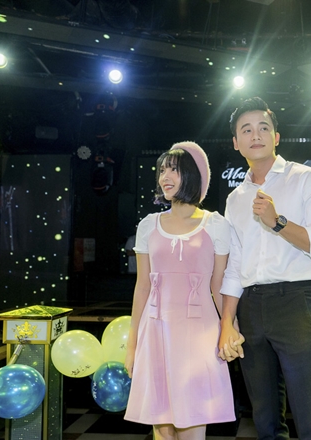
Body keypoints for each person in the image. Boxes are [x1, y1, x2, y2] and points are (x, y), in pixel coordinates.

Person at [218, 97, 311, 439]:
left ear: (276, 137)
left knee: (310, 417)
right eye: (246, 130)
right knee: (265, 419)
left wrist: (278, 222)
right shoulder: (235, 199)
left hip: (296, 303)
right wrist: (227, 322)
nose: (255, 135)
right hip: (251, 306)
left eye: (263, 128)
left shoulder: (305, 179)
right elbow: (235, 266)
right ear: (236, 142)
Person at [124, 141, 236, 439]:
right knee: (162, 429)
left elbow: (219, 285)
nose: (165, 177)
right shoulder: (149, 225)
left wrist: (231, 327)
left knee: (193, 422)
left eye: (174, 170)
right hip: (156, 330)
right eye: (162, 170)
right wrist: (132, 344)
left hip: (198, 334)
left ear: (193, 176)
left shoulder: (215, 224)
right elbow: (142, 286)